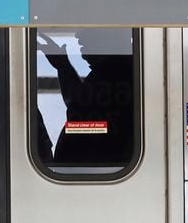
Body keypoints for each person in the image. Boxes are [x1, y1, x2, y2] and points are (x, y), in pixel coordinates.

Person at [37, 29, 134, 166]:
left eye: (87, 29)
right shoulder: (109, 73)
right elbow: (80, 102)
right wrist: (63, 66)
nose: (78, 35)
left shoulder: (129, 75)